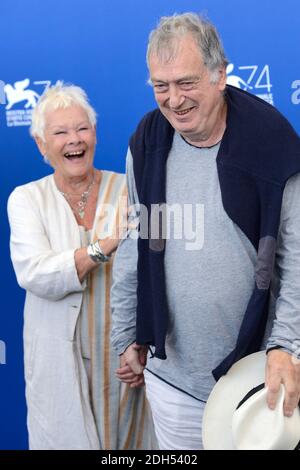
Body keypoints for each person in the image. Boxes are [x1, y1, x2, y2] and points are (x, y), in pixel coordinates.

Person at [111, 13, 300, 450]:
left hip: (256, 379)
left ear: (220, 74)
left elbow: (294, 257)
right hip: (171, 379)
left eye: (185, 82)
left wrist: (285, 347)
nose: (173, 100)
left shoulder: (272, 143)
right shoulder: (148, 141)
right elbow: (137, 239)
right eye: (161, 85)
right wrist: (127, 332)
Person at [7, 82, 155, 450]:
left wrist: (145, 346)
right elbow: (35, 273)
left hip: (126, 360)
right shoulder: (27, 199)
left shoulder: (128, 189)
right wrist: (106, 243)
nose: (74, 139)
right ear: (42, 144)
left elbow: (156, 275)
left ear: (95, 134)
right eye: (60, 132)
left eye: (82, 128)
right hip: (60, 361)